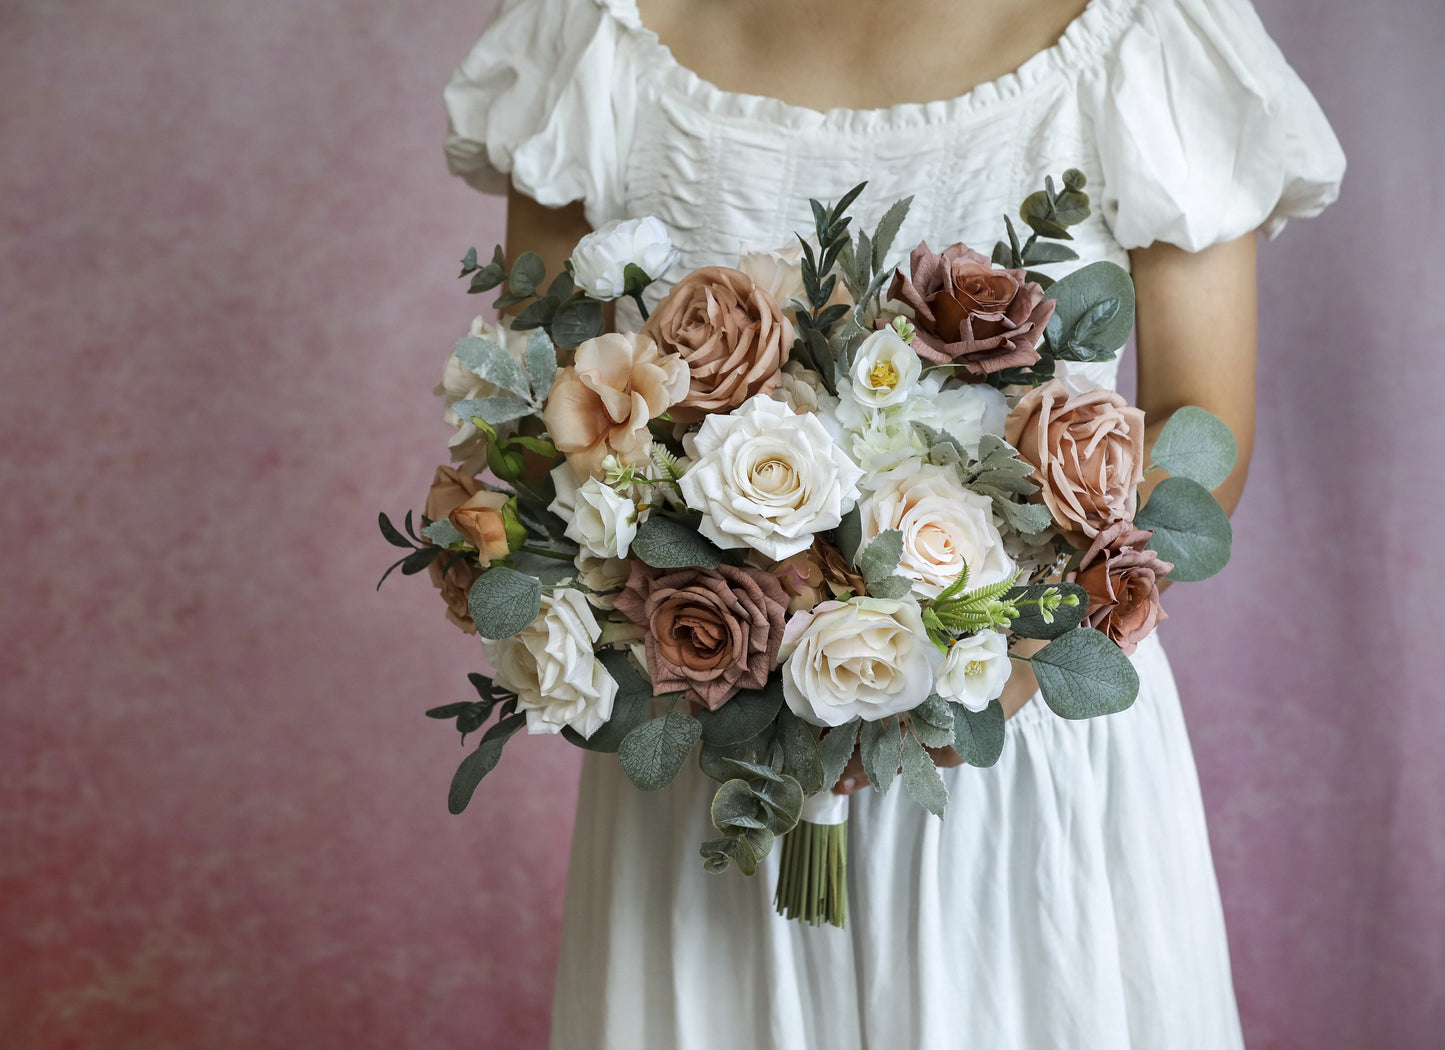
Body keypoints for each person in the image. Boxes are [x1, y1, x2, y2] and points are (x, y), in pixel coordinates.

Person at [442, 0, 1345, 1045]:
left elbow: (1197, 431)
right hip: (713, 757)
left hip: (1015, 739)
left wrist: (989, 655)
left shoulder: (1145, 37)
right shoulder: (595, 38)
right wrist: (725, 622)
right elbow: (543, 415)